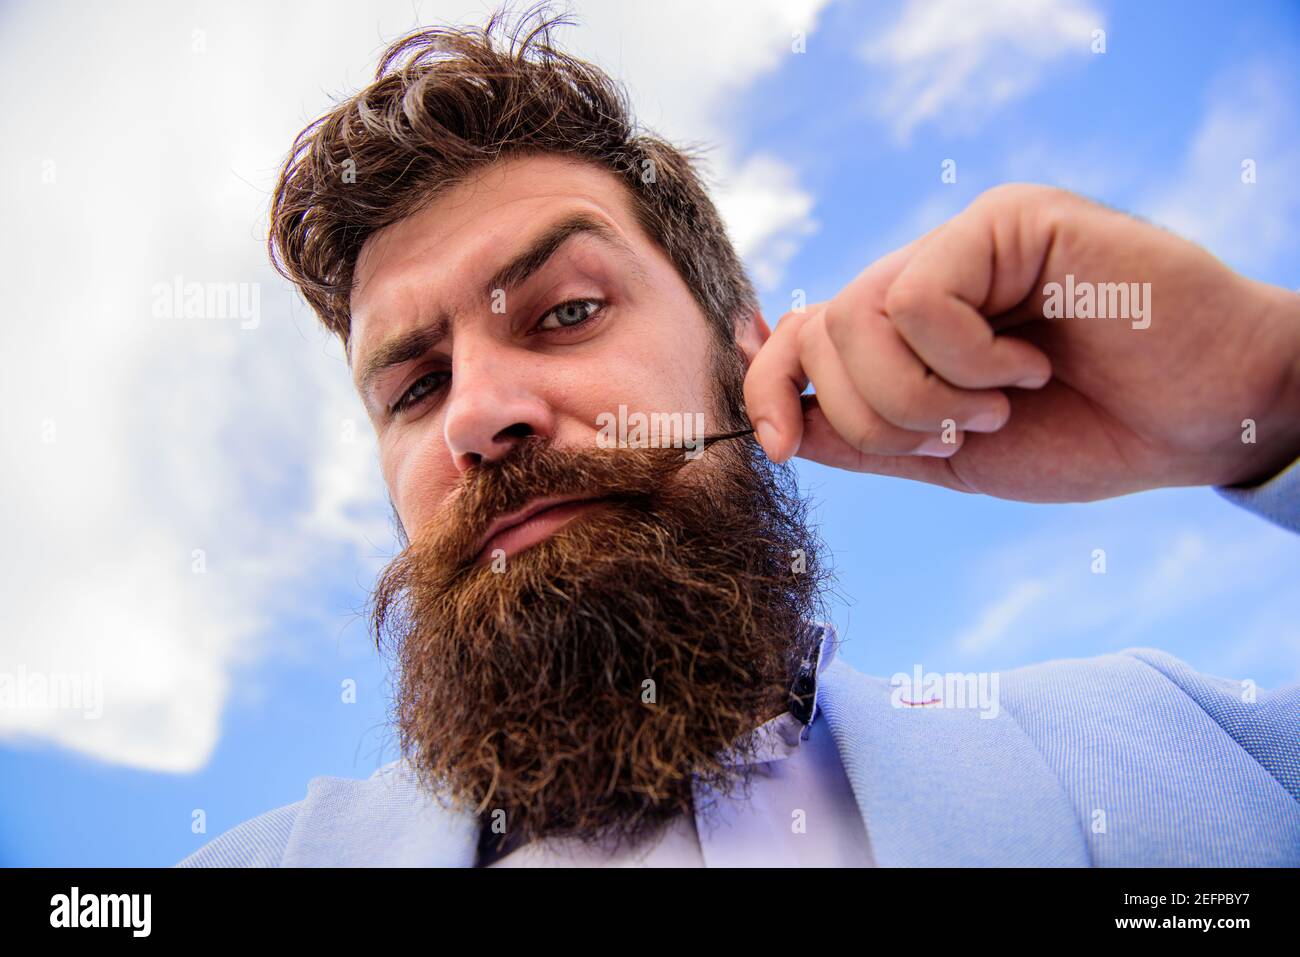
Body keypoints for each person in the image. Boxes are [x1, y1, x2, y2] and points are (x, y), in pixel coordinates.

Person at [179, 8, 1300, 867]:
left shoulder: (1180, 755)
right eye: (416, 389)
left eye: (566, 311)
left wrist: (1270, 391)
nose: (475, 414)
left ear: (748, 351)